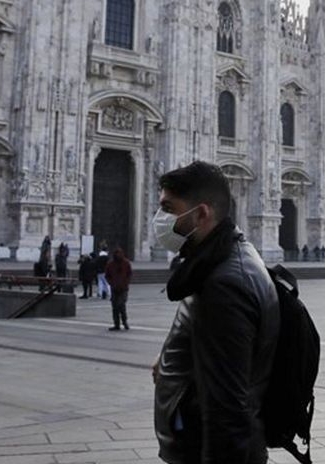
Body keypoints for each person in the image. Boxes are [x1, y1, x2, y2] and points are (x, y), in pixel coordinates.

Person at [152, 161, 279, 463]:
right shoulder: (217, 260)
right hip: (194, 436)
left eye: (168, 209)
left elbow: (228, 410)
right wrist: (175, 359)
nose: (159, 219)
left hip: (199, 447)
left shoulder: (225, 283)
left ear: (201, 213)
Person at [105, 247, 133, 331]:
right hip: (114, 288)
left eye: (120, 254)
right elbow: (107, 275)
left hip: (123, 288)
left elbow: (129, 274)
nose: (118, 255)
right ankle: (116, 323)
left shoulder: (126, 263)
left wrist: (126, 282)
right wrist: (111, 283)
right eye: (117, 254)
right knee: (114, 307)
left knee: (121, 305)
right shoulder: (111, 264)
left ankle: (124, 322)